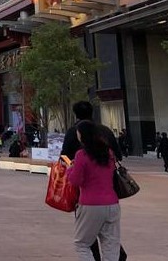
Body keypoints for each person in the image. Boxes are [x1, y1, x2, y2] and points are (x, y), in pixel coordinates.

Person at [61, 100, 126, 261]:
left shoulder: (79, 147)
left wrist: (71, 167)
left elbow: (67, 164)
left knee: (83, 240)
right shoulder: (106, 136)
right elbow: (118, 156)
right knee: (110, 241)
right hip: (111, 198)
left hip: (87, 199)